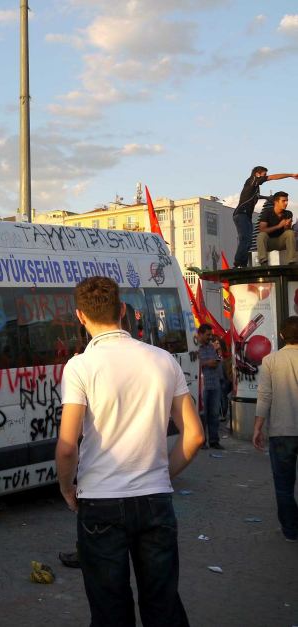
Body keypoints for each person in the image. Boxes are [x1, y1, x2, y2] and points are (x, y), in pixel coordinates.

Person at [56, 276, 204, 626]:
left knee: (110, 609)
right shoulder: (163, 359)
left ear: (80, 316)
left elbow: (67, 446)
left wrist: (66, 487)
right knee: (162, 604)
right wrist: (162, 473)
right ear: (122, 310)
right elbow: (194, 436)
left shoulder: (80, 366)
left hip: (100, 501)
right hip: (155, 499)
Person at [253, 315, 298, 542]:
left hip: (281, 432)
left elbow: (264, 397)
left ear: (281, 335)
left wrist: (257, 428)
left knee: (283, 485)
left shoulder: (270, 361)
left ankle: (290, 530)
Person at [232, 167, 298, 267]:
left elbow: (257, 196)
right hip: (241, 214)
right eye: (264, 174)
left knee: (248, 240)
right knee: (245, 238)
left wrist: (267, 197)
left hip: (246, 216)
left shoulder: (255, 188)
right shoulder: (252, 180)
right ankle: (238, 263)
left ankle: (243, 263)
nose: (265, 177)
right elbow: (272, 178)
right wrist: (290, 175)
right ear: (257, 174)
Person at [197, 323, 223, 449]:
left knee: (214, 415)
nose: (210, 337)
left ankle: (214, 441)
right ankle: (202, 441)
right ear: (200, 334)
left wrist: (217, 360)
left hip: (214, 384)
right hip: (203, 386)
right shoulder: (196, 348)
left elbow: (217, 360)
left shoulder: (212, 347)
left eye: (211, 335)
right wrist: (207, 363)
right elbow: (193, 364)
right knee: (203, 415)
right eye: (208, 335)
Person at [256, 191, 295, 266]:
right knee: (261, 235)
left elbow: (287, 232)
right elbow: (261, 230)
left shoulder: (288, 213)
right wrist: (279, 226)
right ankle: (263, 261)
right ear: (276, 202)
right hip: (268, 243)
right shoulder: (267, 212)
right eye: (283, 201)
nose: (286, 203)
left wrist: (286, 226)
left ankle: (292, 261)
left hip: (281, 242)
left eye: (287, 201)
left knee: (290, 233)